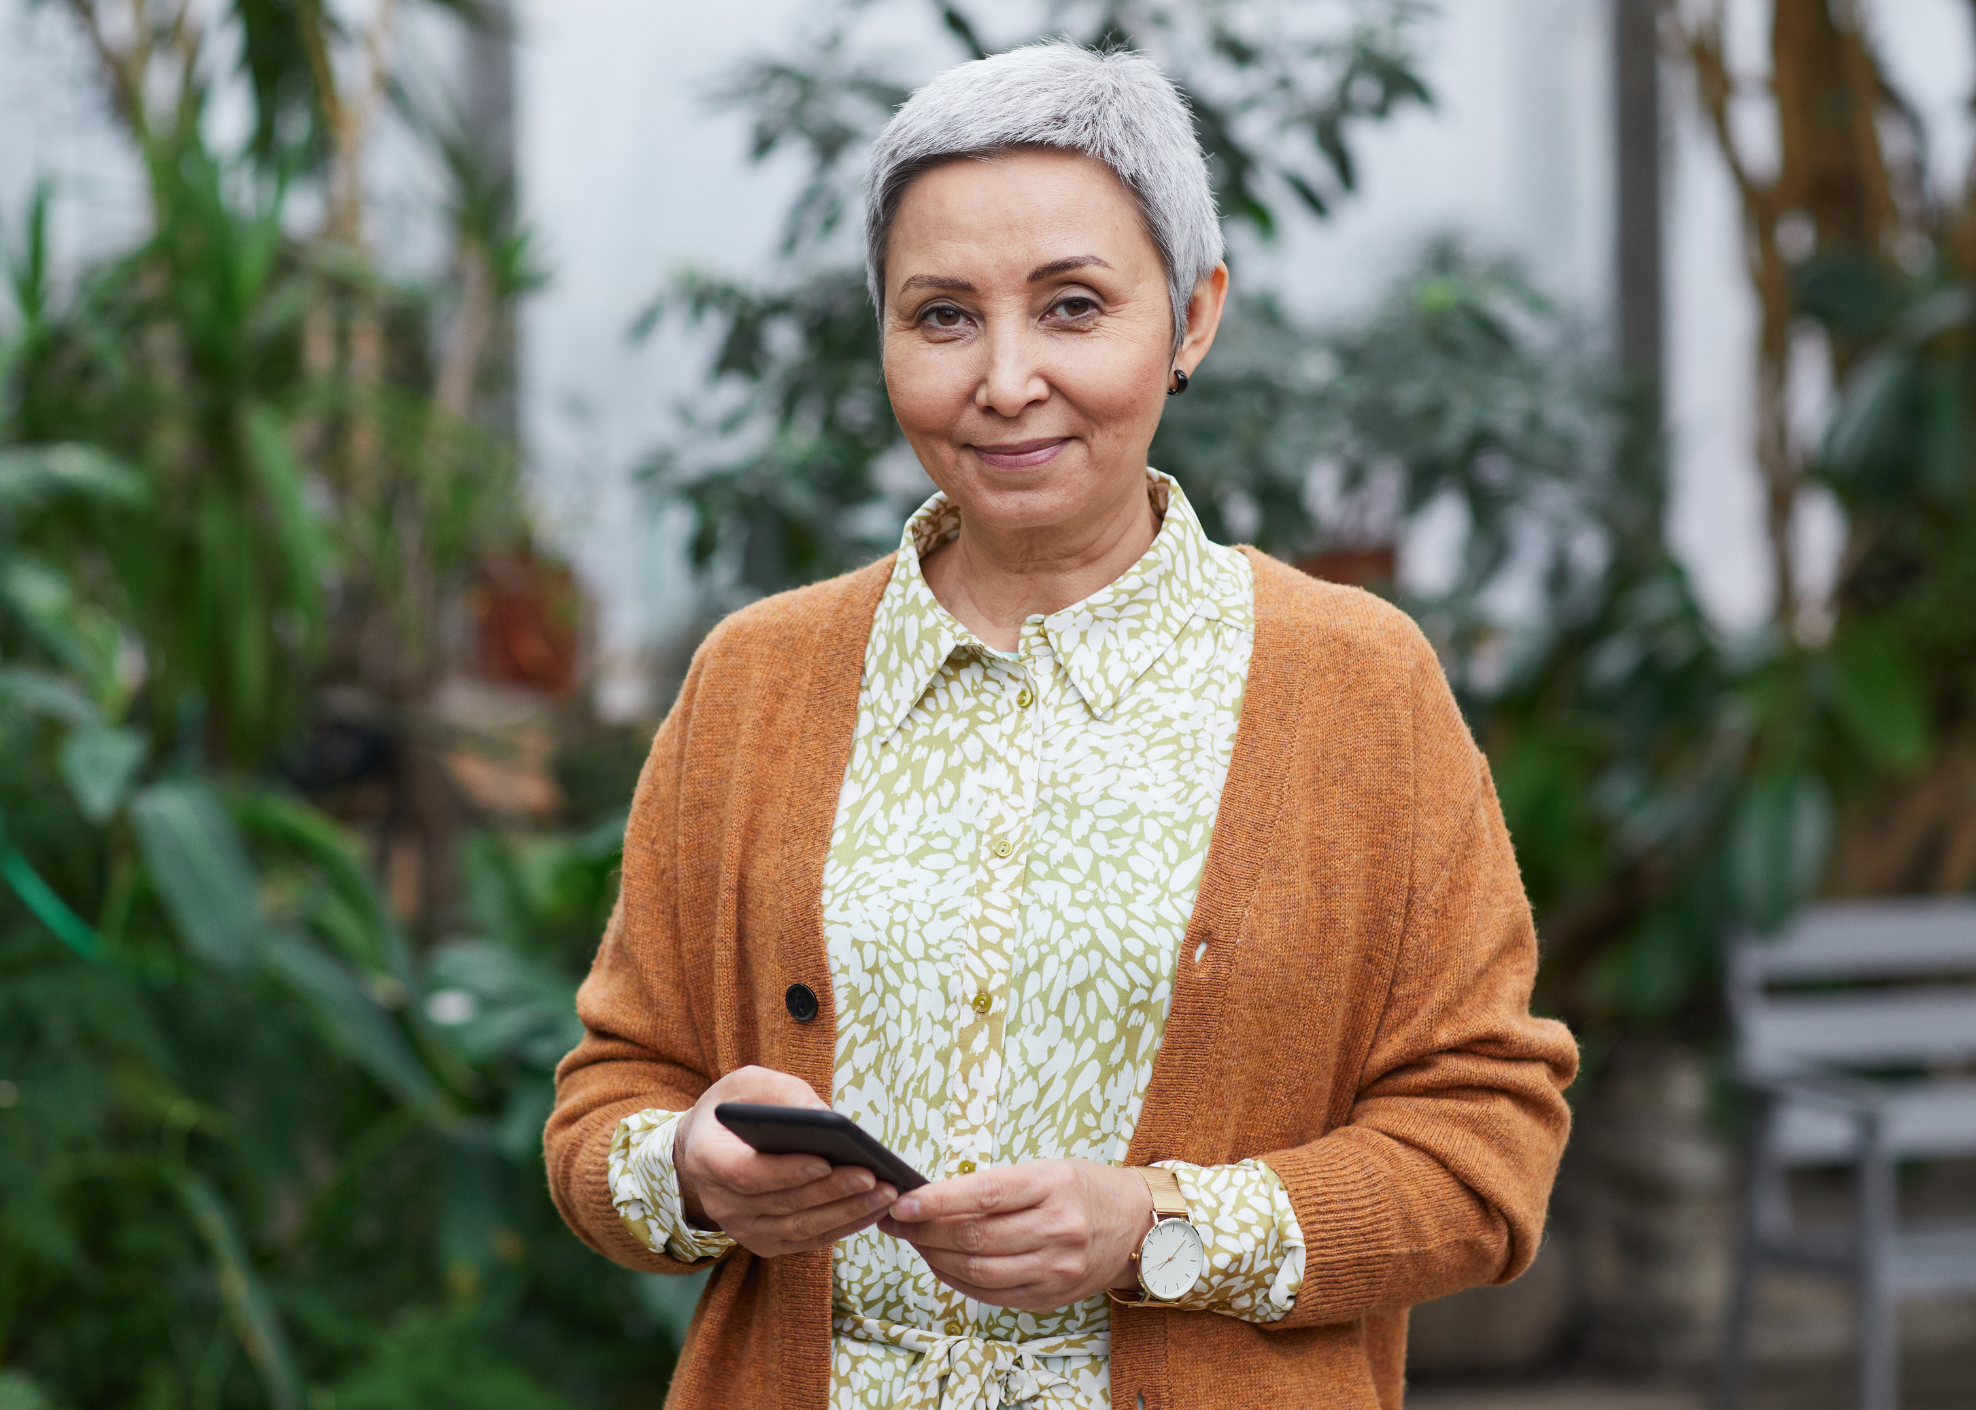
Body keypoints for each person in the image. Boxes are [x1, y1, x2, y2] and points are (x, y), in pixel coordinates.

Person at [545, 40, 1577, 1410]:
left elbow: (1486, 1151)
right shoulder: (756, 681)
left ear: (1193, 318)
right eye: (944, 315)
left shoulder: (1355, 688)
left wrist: (1159, 1224)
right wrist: (686, 1167)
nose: (1007, 377)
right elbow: (606, 1098)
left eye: (1074, 306)